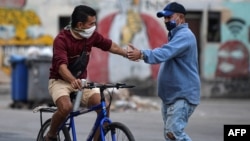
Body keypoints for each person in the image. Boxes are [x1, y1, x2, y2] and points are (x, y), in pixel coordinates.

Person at [45, 5, 127, 141]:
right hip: (59, 81)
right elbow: (61, 67)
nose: (95, 26)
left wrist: (126, 53)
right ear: (80, 24)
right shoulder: (61, 40)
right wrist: (72, 80)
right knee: (66, 108)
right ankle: (51, 135)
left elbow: (110, 45)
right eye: (92, 23)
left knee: (104, 107)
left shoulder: (91, 36)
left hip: (81, 83)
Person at [127, 2, 201, 141]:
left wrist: (142, 54)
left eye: (169, 17)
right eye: (164, 18)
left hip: (182, 95)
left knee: (174, 134)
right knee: (170, 136)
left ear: (181, 17)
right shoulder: (174, 35)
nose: (166, 21)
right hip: (172, 97)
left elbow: (164, 53)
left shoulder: (185, 35)